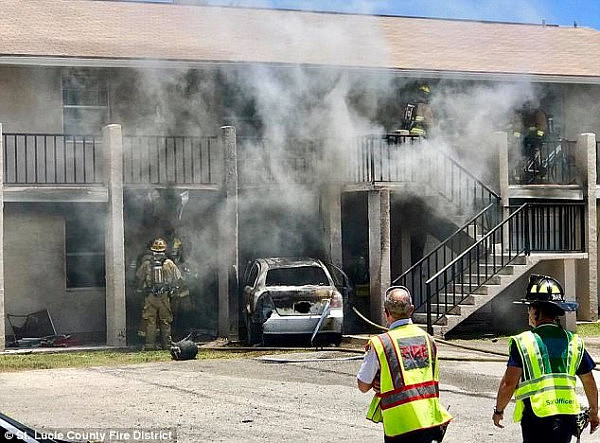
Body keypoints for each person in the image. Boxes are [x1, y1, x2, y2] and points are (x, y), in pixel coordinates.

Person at [493, 274, 599, 442]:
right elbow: (589, 382)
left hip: (537, 418)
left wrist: (498, 411)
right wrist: (594, 412)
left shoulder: (524, 342)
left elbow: (509, 383)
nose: (528, 312)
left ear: (536, 311)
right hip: (567, 418)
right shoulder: (574, 342)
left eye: (529, 308)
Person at [356, 286, 452, 442]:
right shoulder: (429, 340)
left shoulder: (380, 344)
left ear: (386, 313)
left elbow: (363, 385)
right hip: (429, 421)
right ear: (411, 310)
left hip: (399, 426)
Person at [136, 237, 183, 350]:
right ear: (164, 250)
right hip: (164, 297)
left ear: (152, 251)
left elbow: (139, 278)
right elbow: (178, 278)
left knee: (150, 321)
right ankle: (166, 345)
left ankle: (150, 346)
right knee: (165, 321)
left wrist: (140, 289)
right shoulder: (169, 263)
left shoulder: (147, 264)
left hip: (150, 297)